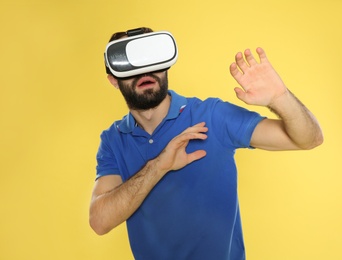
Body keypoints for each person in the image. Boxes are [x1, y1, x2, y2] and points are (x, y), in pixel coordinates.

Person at [89, 27, 323, 260]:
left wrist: (279, 98)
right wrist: (160, 165)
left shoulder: (212, 115)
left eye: (151, 57)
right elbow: (99, 222)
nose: (144, 70)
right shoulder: (113, 139)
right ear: (114, 80)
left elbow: (309, 139)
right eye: (129, 63)